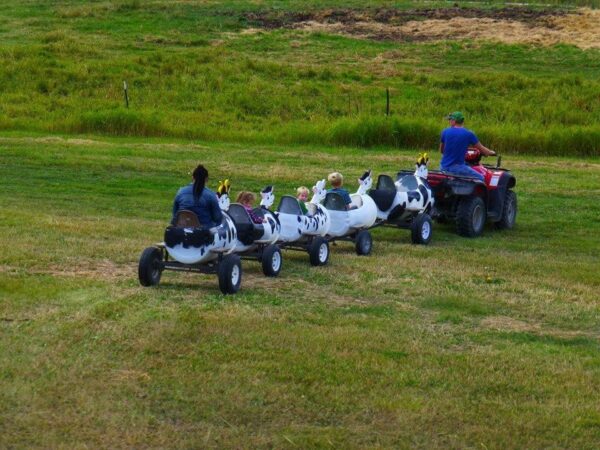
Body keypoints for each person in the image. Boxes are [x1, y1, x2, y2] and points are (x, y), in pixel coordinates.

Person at [440, 111, 496, 181]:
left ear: (454, 121)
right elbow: (483, 149)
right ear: (462, 121)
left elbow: (442, 151)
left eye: (450, 120)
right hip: (458, 168)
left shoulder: (444, 132)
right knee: (482, 178)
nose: (449, 121)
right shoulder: (469, 134)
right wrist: (491, 152)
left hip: (443, 167)